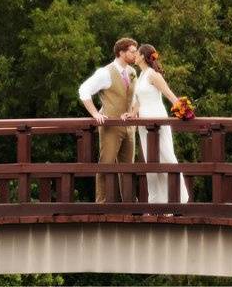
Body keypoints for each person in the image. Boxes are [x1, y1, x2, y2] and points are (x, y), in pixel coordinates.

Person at [122, 44, 189, 203]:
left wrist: (185, 111)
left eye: (137, 54)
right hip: (144, 124)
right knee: (151, 161)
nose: (135, 56)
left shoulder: (153, 75)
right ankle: (157, 202)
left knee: (166, 157)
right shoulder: (141, 75)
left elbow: (170, 95)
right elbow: (138, 101)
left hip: (157, 119)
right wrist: (131, 114)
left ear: (143, 56)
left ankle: (178, 199)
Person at [78, 37, 138, 203]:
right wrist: (95, 113)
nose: (135, 55)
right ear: (121, 52)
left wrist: (133, 111)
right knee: (106, 163)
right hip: (110, 125)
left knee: (128, 167)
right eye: (132, 52)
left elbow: (134, 98)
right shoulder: (105, 73)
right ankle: (102, 203)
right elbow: (84, 90)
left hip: (129, 126)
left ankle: (129, 203)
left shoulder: (133, 72)